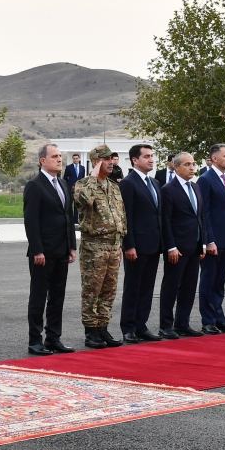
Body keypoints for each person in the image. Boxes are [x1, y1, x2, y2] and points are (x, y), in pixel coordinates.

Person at [23, 144, 78, 355]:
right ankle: (35, 340)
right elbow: (31, 221)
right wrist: (37, 250)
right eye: (54, 156)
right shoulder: (35, 186)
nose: (59, 159)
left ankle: (53, 338)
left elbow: (68, 217)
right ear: (42, 161)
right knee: (38, 297)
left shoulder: (63, 183)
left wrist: (72, 246)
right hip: (43, 253)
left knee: (57, 297)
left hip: (62, 250)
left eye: (60, 156)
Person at [73, 144, 127, 349]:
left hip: (113, 245)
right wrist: (94, 176)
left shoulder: (113, 186)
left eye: (112, 159)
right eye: (106, 159)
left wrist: (121, 239)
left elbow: (121, 215)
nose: (111, 163)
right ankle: (91, 331)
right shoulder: (83, 184)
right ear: (96, 162)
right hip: (94, 246)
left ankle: (103, 327)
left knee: (109, 290)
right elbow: (83, 200)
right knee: (91, 290)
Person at [158, 152, 206, 338]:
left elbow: (200, 217)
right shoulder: (168, 190)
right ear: (176, 167)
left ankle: (182, 323)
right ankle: (166, 325)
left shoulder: (195, 187)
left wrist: (202, 243)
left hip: (194, 246)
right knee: (171, 287)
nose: (192, 167)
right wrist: (170, 246)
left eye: (193, 164)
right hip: (177, 248)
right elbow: (165, 221)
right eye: (187, 164)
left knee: (189, 287)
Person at [118, 144, 164, 343]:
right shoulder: (128, 183)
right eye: (146, 156)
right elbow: (126, 217)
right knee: (133, 287)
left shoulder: (154, 183)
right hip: (136, 246)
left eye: (152, 156)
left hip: (153, 244)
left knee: (147, 287)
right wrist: (129, 245)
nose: (151, 159)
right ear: (134, 160)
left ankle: (141, 325)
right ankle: (128, 327)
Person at [196, 143, 225, 334]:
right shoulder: (205, 180)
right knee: (209, 281)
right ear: (214, 158)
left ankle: (219, 318)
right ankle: (208, 320)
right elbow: (204, 213)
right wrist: (209, 240)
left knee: (220, 282)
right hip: (213, 240)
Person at [64, 153, 86, 225]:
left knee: (77, 205)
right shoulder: (68, 167)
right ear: (72, 159)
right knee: (69, 204)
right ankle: (69, 219)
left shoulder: (82, 168)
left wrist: (81, 187)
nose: (75, 160)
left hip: (79, 190)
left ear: (79, 159)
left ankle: (76, 221)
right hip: (70, 189)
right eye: (74, 158)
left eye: (76, 158)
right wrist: (69, 186)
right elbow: (65, 178)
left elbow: (82, 179)